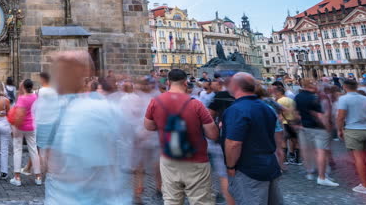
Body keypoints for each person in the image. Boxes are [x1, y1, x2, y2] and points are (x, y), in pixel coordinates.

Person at [43, 51, 131, 204]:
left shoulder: (93, 110)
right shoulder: (66, 107)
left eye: (62, 71)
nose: (56, 77)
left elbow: (86, 168)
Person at [145, 69, 218, 205]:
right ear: (186, 83)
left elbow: (148, 126)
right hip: (196, 160)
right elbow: (212, 134)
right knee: (201, 201)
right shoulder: (196, 104)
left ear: (168, 82)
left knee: (171, 200)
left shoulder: (155, 102)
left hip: (169, 158)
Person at [222, 73, 283, 205]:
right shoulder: (266, 107)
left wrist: (230, 166)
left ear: (236, 86)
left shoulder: (237, 109)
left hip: (248, 169)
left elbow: (233, 143)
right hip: (269, 164)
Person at [121, 77, 161, 203]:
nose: (146, 86)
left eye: (149, 84)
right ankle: (138, 193)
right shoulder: (131, 98)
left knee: (157, 165)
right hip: (139, 137)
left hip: (153, 136)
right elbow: (127, 118)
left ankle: (159, 188)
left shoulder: (157, 96)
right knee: (140, 167)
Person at [294, 79, 337, 186]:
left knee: (307, 150)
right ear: (312, 86)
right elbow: (322, 115)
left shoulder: (298, 97)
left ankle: (309, 172)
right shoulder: (316, 98)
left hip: (304, 127)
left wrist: (297, 123)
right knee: (322, 151)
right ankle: (323, 175)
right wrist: (328, 127)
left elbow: (296, 113)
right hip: (319, 128)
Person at [10, 78, 42, 186]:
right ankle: (38, 177)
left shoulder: (22, 99)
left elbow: (19, 114)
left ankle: (17, 177)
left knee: (17, 150)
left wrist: (15, 128)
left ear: (23, 87)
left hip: (21, 126)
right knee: (34, 150)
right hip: (32, 126)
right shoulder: (35, 97)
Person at [271, 82, 300, 166]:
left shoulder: (279, 101)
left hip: (284, 122)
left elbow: (278, 113)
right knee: (295, 140)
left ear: (279, 93)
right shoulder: (291, 100)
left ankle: (285, 159)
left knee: (284, 141)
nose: (275, 95)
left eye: (275, 93)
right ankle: (297, 160)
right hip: (293, 122)